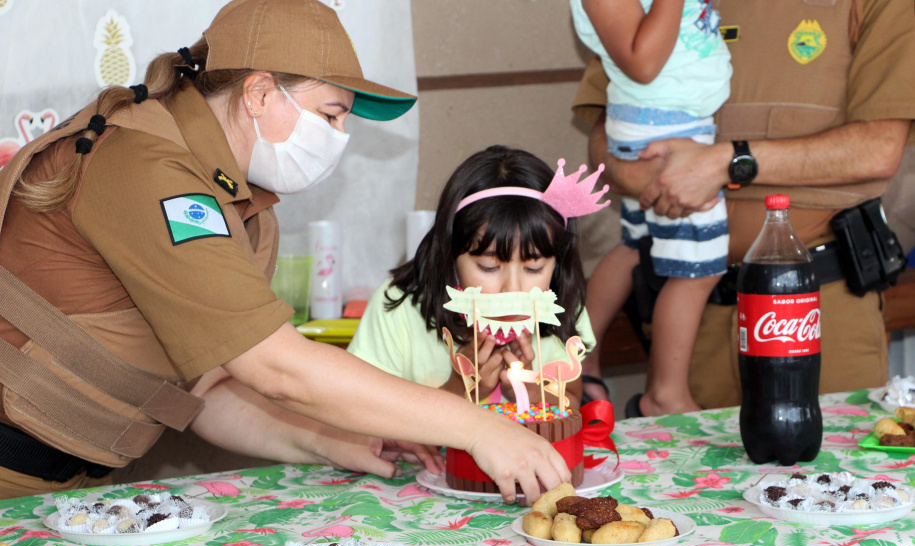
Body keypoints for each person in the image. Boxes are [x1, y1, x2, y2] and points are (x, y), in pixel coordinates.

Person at [0, 0, 572, 502]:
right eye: (332, 113)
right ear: (259, 91)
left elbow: (210, 387)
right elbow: (275, 367)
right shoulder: (152, 170)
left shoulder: (237, 202)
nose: (341, 136)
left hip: (67, 482)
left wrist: (335, 438)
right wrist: (477, 427)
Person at [572, 0, 915, 410]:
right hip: (689, 321)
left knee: (829, 470)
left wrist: (728, 161)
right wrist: (640, 173)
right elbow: (606, 129)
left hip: (819, 309)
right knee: (689, 471)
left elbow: (877, 150)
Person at [570, 0, 731, 416]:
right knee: (699, 268)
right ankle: (665, 393)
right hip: (667, 126)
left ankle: (575, 354)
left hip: (661, 120)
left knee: (635, 246)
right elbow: (643, 63)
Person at [348, 146, 598, 410]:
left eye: (533, 268)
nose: (512, 289)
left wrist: (531, 391)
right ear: (450, 255)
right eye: (489, 267)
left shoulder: (561, 308)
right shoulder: (397, 308)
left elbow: (571, 400)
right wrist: (460, 387)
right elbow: (365, 415)